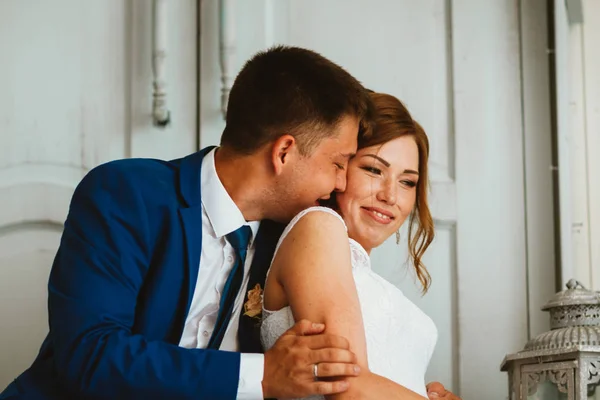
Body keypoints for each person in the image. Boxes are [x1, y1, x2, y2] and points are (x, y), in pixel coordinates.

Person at [0, 46, 375, 400]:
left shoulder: (296, 240)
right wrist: (261, 375)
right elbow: (90, 354)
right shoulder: (126, 196)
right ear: (284, 152)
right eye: (338, 164)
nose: (341, 185)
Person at [261, 92, 461, 399]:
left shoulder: (365, 279)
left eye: (407, 182)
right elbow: (346, 385)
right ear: (339, 169)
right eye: (373, 169)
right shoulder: (317, 226)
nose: (390, 195)